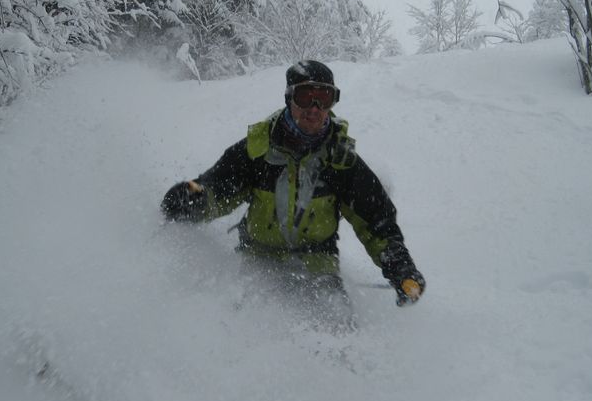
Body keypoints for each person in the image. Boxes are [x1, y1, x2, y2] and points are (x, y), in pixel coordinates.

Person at [160, 60, 425, 311]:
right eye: (305, 96)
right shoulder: (257, 151)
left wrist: (401, 268)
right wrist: (191, 197)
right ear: (289, 99)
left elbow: (377, 222)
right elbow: (215, 188)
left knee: (336, 328)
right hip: (259, 259)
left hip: (318, 263)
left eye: (324, 98)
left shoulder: (342, 162)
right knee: (246, 321)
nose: (315, 107)